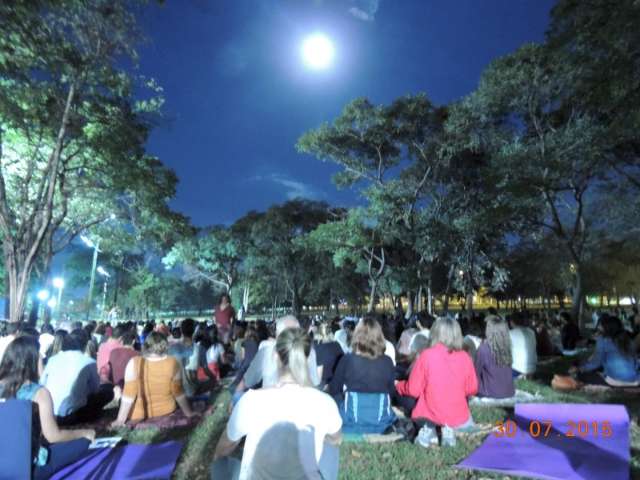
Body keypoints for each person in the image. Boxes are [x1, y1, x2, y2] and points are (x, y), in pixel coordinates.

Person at [213, 328, 342, 480]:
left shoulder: (251, 401)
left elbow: (224, 447)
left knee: (220, 464)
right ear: (307, 358)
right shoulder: (325, 403)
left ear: (275, 356)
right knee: (331, 448)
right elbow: (336, 439)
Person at [0, 336, 95, 480]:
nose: (43, 361)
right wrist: (84, 433)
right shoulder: (38, 393)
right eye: (40, 358)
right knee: (81, 443)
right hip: (26, 468)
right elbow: (53, 435)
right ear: (31, 361)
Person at [396, 317, 478, 447]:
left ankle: (430, 432)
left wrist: (399, 386)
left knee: (413, 404)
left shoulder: (427, 355)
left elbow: (413, 390)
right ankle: (447, 430)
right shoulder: (465, 357)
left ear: (435, 333)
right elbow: (472, 388)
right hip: (459, 417)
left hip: (429, 415)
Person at [111, 332, 197, 427]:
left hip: (137, 415)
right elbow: (178, 393)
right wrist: (189, 413)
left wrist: (120, 420)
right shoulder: (173, 363)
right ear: (165, 346)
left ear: (146, 346)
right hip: (166, 410)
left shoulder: (133, 362)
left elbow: (128, 395)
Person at [329, 316, 396, 434]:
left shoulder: (347, 360)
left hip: (351, 419)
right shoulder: (387, 361)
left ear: (357, 336)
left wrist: (344, 398)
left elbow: (334, 389)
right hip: (381, 421)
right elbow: (391, 392)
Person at [42, 329, 113, 425]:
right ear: (85, 344)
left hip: (49, 414)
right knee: (108, 390)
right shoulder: (89, 362)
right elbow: (95, 389)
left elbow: (42, 383)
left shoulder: (52, 360)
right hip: (74, 415)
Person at [236, 316, 321, 394]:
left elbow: (246, 382)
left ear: (278, 334)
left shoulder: (266, 352)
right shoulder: (310, 352)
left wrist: (235, 399)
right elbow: (315, 384)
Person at [574, 316, 639, 386]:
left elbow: (596, 363)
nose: (599, 327)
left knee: (581, 375)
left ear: (606, 327)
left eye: (601, 326)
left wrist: (580, 369)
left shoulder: (603, 340)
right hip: (635, 379)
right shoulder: (627, 340)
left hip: (616, 380)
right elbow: (635, 361)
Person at [474, 316, 515, 398]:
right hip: (509, 391)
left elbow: (475, 373)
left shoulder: (483, 349)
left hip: (490, 393)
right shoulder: (507, 347)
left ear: (489, 331)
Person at [313, 323, 343, 388]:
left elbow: (318, 377)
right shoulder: (337, 345)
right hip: (338, 382)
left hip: (325, 384)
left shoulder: (318, 348)